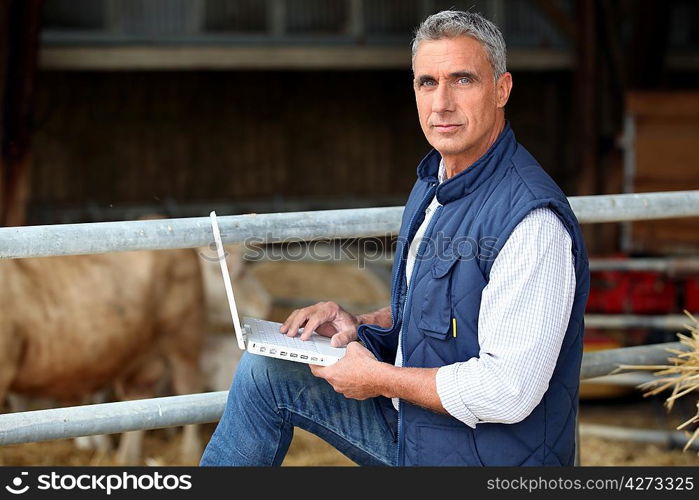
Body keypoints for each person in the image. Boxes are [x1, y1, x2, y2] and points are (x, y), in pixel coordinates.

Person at [200, 10, 589, 467]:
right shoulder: (434, 185)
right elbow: (441, 312)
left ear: (502, 89)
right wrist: (355, 326)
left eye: (462, 80)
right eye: (427, 82)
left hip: (483, 459)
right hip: (420, 431)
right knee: (267, 371)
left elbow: (508, 391)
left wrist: (379, 378)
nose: (441, 103)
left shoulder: (531, 222)